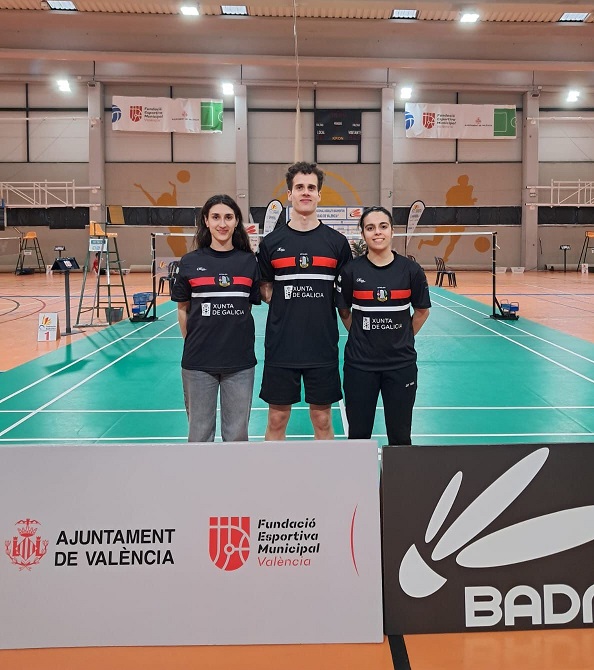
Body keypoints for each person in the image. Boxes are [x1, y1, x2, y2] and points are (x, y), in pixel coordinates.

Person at [257, 162, 353, 440]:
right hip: (281, 344)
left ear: (319, 194)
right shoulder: (271, 243)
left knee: (322, 419)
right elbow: (265, 288)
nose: (306, 192)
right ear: (290, 194)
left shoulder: (337, 242)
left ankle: (325, 481)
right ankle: (272, 481)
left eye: (311, 187)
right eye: (300, 187)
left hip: (321, 345)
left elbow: (344, 293)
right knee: (276, 418)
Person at [336, 206, 431, 446]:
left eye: (383, 226)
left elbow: (421, 311)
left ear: (392, 231)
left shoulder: (411, 270)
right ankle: (358, 484)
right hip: (360, 367)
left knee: (400, 437)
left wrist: (403, 336)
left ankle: (399, 485)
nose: (377, 232)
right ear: (363, 234)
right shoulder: (350, 271)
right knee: (358, 436)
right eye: (370, 228)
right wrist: (361, 335)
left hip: (401, 365)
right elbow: (345, 311)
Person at [171, 194, 261, 442]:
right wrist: (193, 343)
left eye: (228, 217)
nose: (222, 223)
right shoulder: (190, 262)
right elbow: (183, 308)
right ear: (206, 221)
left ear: (236, 223)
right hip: (198, 363)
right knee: (199, 435)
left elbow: (248, 307)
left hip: (240, 363)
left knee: (237, 436)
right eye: (216, 217)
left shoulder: (248, 262)